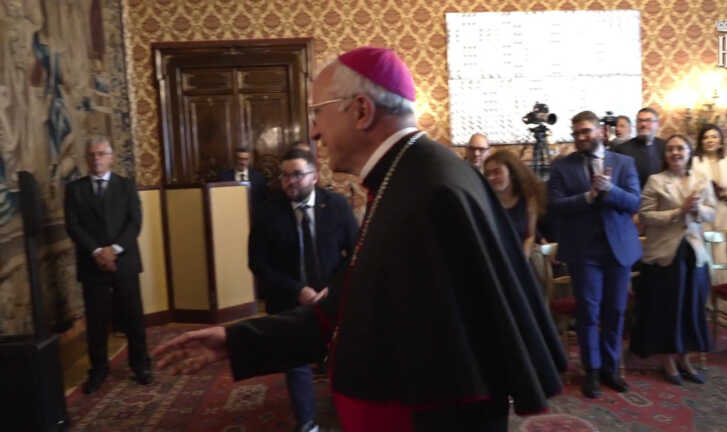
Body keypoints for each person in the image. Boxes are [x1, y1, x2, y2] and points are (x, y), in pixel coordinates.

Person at [154, 46, 566, 431]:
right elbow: (345, 309)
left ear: (362, 110)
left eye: (318, 112)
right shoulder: (406, 176)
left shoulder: (428, 189)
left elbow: (454, 359)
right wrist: (236, 340)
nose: (314, 131)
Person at [249, 148, 358, 432]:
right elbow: (258, 263)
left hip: (333, 298)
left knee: (343, 360)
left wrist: (333, 289)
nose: (290, 181)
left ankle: (348, 414)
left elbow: (356, 253)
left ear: (314, 176)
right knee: (296, 362)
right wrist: (298, 290)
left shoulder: (336, 206)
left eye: (297, 174)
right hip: (288, 300)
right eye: (285, 176)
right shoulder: (267, 211)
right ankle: (307, 424)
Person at [548, 110, 642, 399]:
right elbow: (555, 205)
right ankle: (591, 369)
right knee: (588, 311)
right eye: (576, 133)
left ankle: (610, 369)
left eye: (586, 131)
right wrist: (587, 197)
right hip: (583, 250)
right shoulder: (562, 166)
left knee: (615, 310)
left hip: (617, 249)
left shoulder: (624, 163)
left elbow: (634, 202)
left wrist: (610, 189)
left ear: (600, 131)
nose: (580, 137)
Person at [64, 137, 152, 393]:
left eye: (102, 154)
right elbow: (73, 225)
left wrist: (113, 250)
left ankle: (140, 365)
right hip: (92, 264)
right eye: (92, 155)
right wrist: (97, 251)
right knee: (96, 322)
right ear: (86, 159)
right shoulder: (75, 189)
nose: (96, 159)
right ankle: (99, 370)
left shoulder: (126, 186)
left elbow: (135, 222)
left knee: (133, 317)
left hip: (125, 262)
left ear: (111, 157)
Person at [630, 134, 715, 384]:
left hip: (694, 253)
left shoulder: (701, 179)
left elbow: (711, 212)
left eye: (680, 148)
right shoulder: (656, 181)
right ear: (664, 154)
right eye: (670, 149)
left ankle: (685, 359)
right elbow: (646, 216)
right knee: (668, 309)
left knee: (691, 307)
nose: (675, 152)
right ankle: (668, 361)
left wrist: (698, 209)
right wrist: (680, 211)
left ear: (689, 152)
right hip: (665, 253)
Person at [691, 124, 727, 284]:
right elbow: (690, 187)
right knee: (705, 249)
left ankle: (725, 290)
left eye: (714, 137)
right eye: (706, 137)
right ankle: (707, 293)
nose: (710, 140)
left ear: (720, 141)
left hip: (724, 211)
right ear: (701, 142)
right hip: (703, 211)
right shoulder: (694, 162)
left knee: (724, 250)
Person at [484, 150, 546, 257]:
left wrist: (523, 258)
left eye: (497, 172)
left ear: (511, 173)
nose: (491, 177)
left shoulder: (528, 199)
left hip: (521, 257)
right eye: (487, 174)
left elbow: (530, 236)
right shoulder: (485, 201)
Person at [614, 107, 666, 189]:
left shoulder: (665, 147)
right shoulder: (621, 150)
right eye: (640, 121)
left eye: (648, 120)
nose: (643, 124)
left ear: (657, 124)